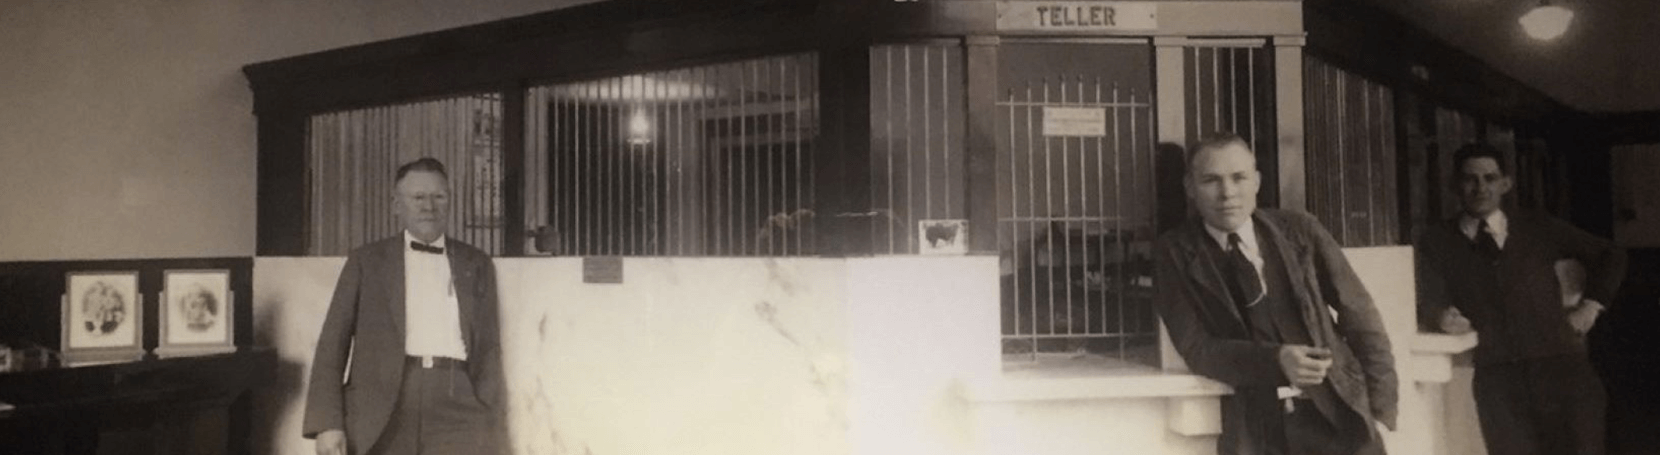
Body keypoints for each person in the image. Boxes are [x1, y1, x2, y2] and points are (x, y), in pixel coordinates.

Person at [1154, 133, 1397, 455]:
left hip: (1339, 417)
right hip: (1256, 431)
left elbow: (1362, 318)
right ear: (1190, 188)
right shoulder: (1174, 253)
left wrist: (1379, 414)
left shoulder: (1300, 230)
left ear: (1256, 181)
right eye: (1211, 180)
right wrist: (1276, 361)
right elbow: (1197, 348)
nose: (1227, 193)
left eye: (1238, 178)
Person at [1416, 143, 1625, 455]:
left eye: (1489, 178)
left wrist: (1591, 307)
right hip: (1498, 381)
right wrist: (1439, 316)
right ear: (1454, 185)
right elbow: (1426, 296)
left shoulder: (1536, 227)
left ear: (1505, 184)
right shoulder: (1436, 240)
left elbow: (1612, 254)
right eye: (1470, 179)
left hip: (1563, 370)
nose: (1480, 187)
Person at [303, 157, 506, 455]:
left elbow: (489, 347)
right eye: (418, 197)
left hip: (458, 403)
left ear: (450, 202)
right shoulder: (366, 261)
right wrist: (327, 423)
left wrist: (487, 412)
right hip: (383, 406)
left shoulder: (476, 263)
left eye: (439, 196)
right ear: (397, 205)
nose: (429, 206)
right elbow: (332, 345)